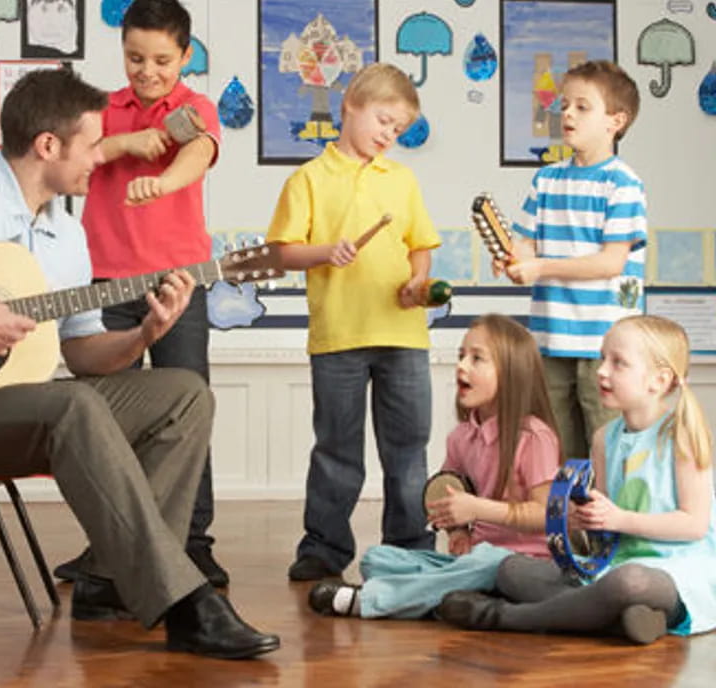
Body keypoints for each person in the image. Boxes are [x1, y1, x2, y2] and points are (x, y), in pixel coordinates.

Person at [0, 68, 279, 660]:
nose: (98, 160)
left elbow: (83, 355)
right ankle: (185, 602)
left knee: (184, 392)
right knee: (72, 406)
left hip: (23, 406)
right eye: (91, 145)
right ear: (48, 146)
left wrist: (144, 334)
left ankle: (109, 578)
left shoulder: (67, 234)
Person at [56, 0, 227, 588]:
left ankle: (193, 542)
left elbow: (200, 151)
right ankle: (107, 545)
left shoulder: (196, 106)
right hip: (103, 280)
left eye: (161, 60)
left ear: (184, 56)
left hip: (180, 279)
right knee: (102, 422)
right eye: (135, 59)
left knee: (189, 408)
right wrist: (124, 145)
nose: (148, 72)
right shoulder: (101, 109)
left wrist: (162, 183)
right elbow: (79, 157)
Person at [437, 315, 716, 645]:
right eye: (602, 358)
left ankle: (506, 617)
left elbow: (694, 525)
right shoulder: (604, 439)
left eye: (618, 363)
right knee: (511, 570)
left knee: (629, 584)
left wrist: (620, 518)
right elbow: (605, 530)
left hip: (676, 571)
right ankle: (623, 619)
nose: (601, 370)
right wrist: (582, 520)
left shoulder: (680, 435)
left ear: (658, 379)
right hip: (615, 564)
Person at [266, 62, 441, 582]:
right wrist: (324, 251)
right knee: (337, 450)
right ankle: (324, 545)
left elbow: (421, 249)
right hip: (338, 336)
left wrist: (416, 281)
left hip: (404, 335)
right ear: (350, 105)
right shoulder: (308, 180)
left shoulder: (403, 180)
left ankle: (409, 545)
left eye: (399, 130)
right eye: (384, 121)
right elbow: (282, 254)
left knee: (408, 450)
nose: (389, 136)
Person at [308, 314, 562, 618]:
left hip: (522, 566)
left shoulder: (534, 437)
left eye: (477, 359)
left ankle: (372, 600)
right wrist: (458, 532)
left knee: (485, 564)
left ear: (511, 374)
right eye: (461, 356)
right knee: (376, 559)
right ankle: (450, 598)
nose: (462, 366)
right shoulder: (461, 437)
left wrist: (477, 509)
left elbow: (548, 516)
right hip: (473, 562)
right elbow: (447, 493)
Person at [495, 60, 647, 461]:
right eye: (564, 105)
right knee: (555, 447)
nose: (566, 113)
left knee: (607, 447)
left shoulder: (624, 185)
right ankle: (569, 525)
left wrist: (539, 267)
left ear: (616, 121)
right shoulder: (545, 180)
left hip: (607, 345)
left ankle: (610, 524)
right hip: (550, 338)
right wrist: (513, 261)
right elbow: (524, 245)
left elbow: (611, 263)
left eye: (582, 107)